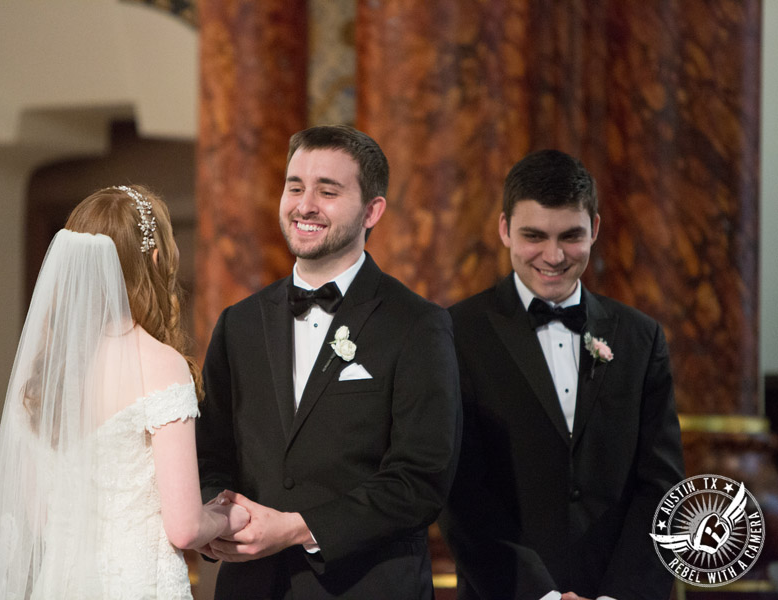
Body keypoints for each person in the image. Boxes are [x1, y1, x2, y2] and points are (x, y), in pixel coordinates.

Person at [195, 125, 462, 599]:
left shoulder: (418, 325)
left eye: (328, 190)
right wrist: (218, 516)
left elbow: (419, 481)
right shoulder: (239, 324)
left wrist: (300, 528)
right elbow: (210, 453)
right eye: (295, 186)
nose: (305, 204)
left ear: (371, 210)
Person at [0, 185, 249, 599]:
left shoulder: (43, 374)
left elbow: (41, 519)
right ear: (156, 261)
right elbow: (185, 527)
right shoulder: (161, 365)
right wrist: (229, 516)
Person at [440, 149, 685, 600]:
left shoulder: (640, 337)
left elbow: (662, 488)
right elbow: (460, 493)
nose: (553, 256)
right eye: (534, 235)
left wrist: (619, 594)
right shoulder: (455, 333)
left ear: (594, 228)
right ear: (504, 230)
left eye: (570, 236)